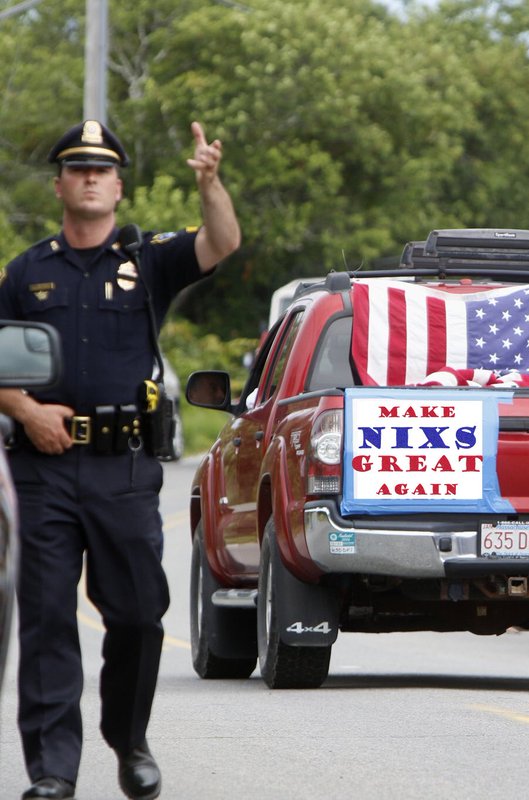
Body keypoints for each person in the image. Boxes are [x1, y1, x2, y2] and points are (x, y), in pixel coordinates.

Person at [0, 119, 240, 800]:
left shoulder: (148, 259)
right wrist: (24, 409)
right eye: (77, 169)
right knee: (47, 619)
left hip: (123, 468)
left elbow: (222, 242)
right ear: (59, 186)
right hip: (41, 469)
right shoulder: (25, 272)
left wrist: (209, 182)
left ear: (119, 186)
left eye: (100, 170)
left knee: (137, 614)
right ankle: (52, 770)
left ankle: (129, 739)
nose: (89, 178)